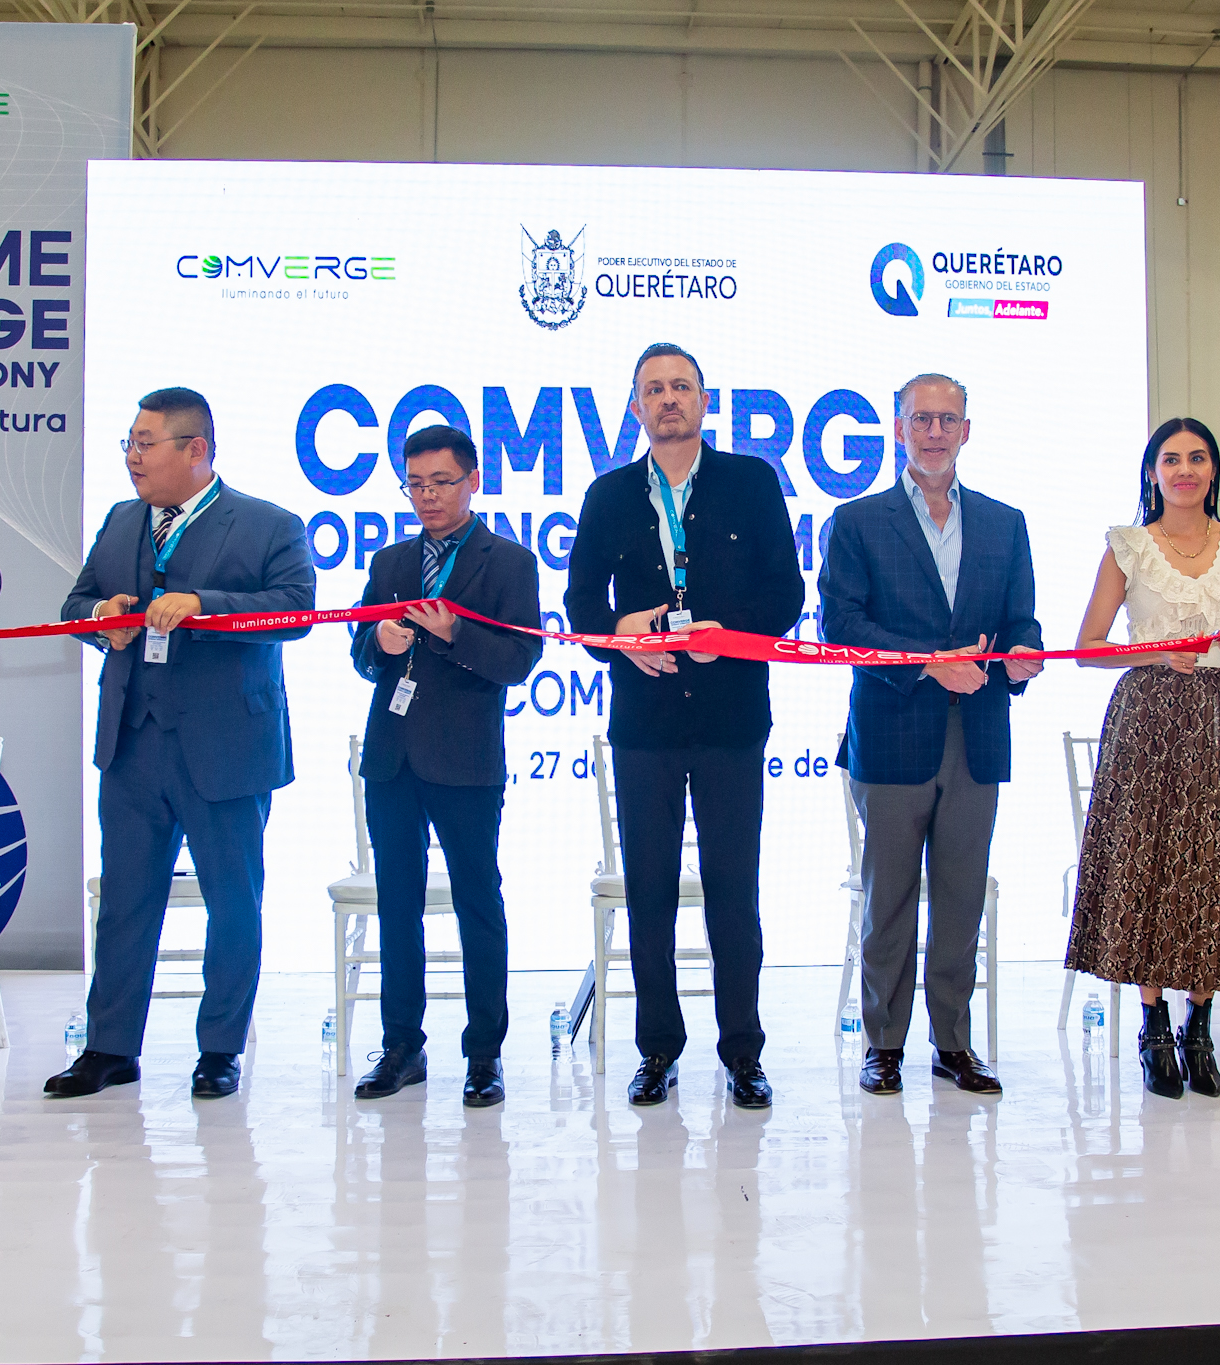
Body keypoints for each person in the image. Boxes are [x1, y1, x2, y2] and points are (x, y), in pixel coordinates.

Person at [46, 387, 315, 1100]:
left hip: (225, 748)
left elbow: (296, 611)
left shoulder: (267, 524)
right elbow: (74, 606)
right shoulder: (120, 520)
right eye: (128, 443)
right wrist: (99, 617)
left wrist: (204, 606)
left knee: (233, 903)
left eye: (145, 443)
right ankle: (110, 1047)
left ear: (196, 449)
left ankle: (219, 1049)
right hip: (133, 744)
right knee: (125, 902)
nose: (132, 457)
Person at [564, 342, 803, 1109]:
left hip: (733, 719)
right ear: (635, 406)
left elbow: (787, 594)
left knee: (735, 891)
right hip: (645, 725)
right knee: (651, 893)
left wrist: (728, 633)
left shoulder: (751, 482)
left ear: (704, 400)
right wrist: (621, 633)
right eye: (654, 389)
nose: (669, 399)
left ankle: (743, 1053)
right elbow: (580, 606)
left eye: (682, 386)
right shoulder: (608, 495)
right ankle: (657, 1049)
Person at [818, 374, 1044, 1100]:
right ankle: (883, 1045)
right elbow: (841, 628)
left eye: (948, 419)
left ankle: (953, 1044)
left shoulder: (1006, 523)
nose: (936, 431)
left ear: (966, 431)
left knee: (960, 898)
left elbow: (1021, 623)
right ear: (899, 428)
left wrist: (1025, 655)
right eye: (922, 418)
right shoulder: (857, 522)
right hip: (891, 734)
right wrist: (928, 663)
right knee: (888, 900)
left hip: (977, 735)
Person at [1062, 418, 1220, 1099]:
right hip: (1146, 715)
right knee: (1148, 861)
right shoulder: (1128, 546)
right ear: (1153, 472)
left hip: (1216, 715)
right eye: (1172, 458)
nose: (1185, 469)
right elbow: (1089, 647)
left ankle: (1198, 1024)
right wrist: (1154, 652)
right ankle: (1152, 1023)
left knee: (1212, 862)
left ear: (1213, 469)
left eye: (1198, 457)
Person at [348, 425, 542, 1107]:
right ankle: (402, 1045)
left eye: (441, 482)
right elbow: (360, 656)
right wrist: (377, 640)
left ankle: (484, 1052)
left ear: (473, 481)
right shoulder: (391, 561)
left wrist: (454, 632)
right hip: (392, 756)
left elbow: (519, 661)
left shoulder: (509, 562)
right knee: (397, 903)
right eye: (416, 485)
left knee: (476, 901)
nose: (427, 496)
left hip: (465, 758)